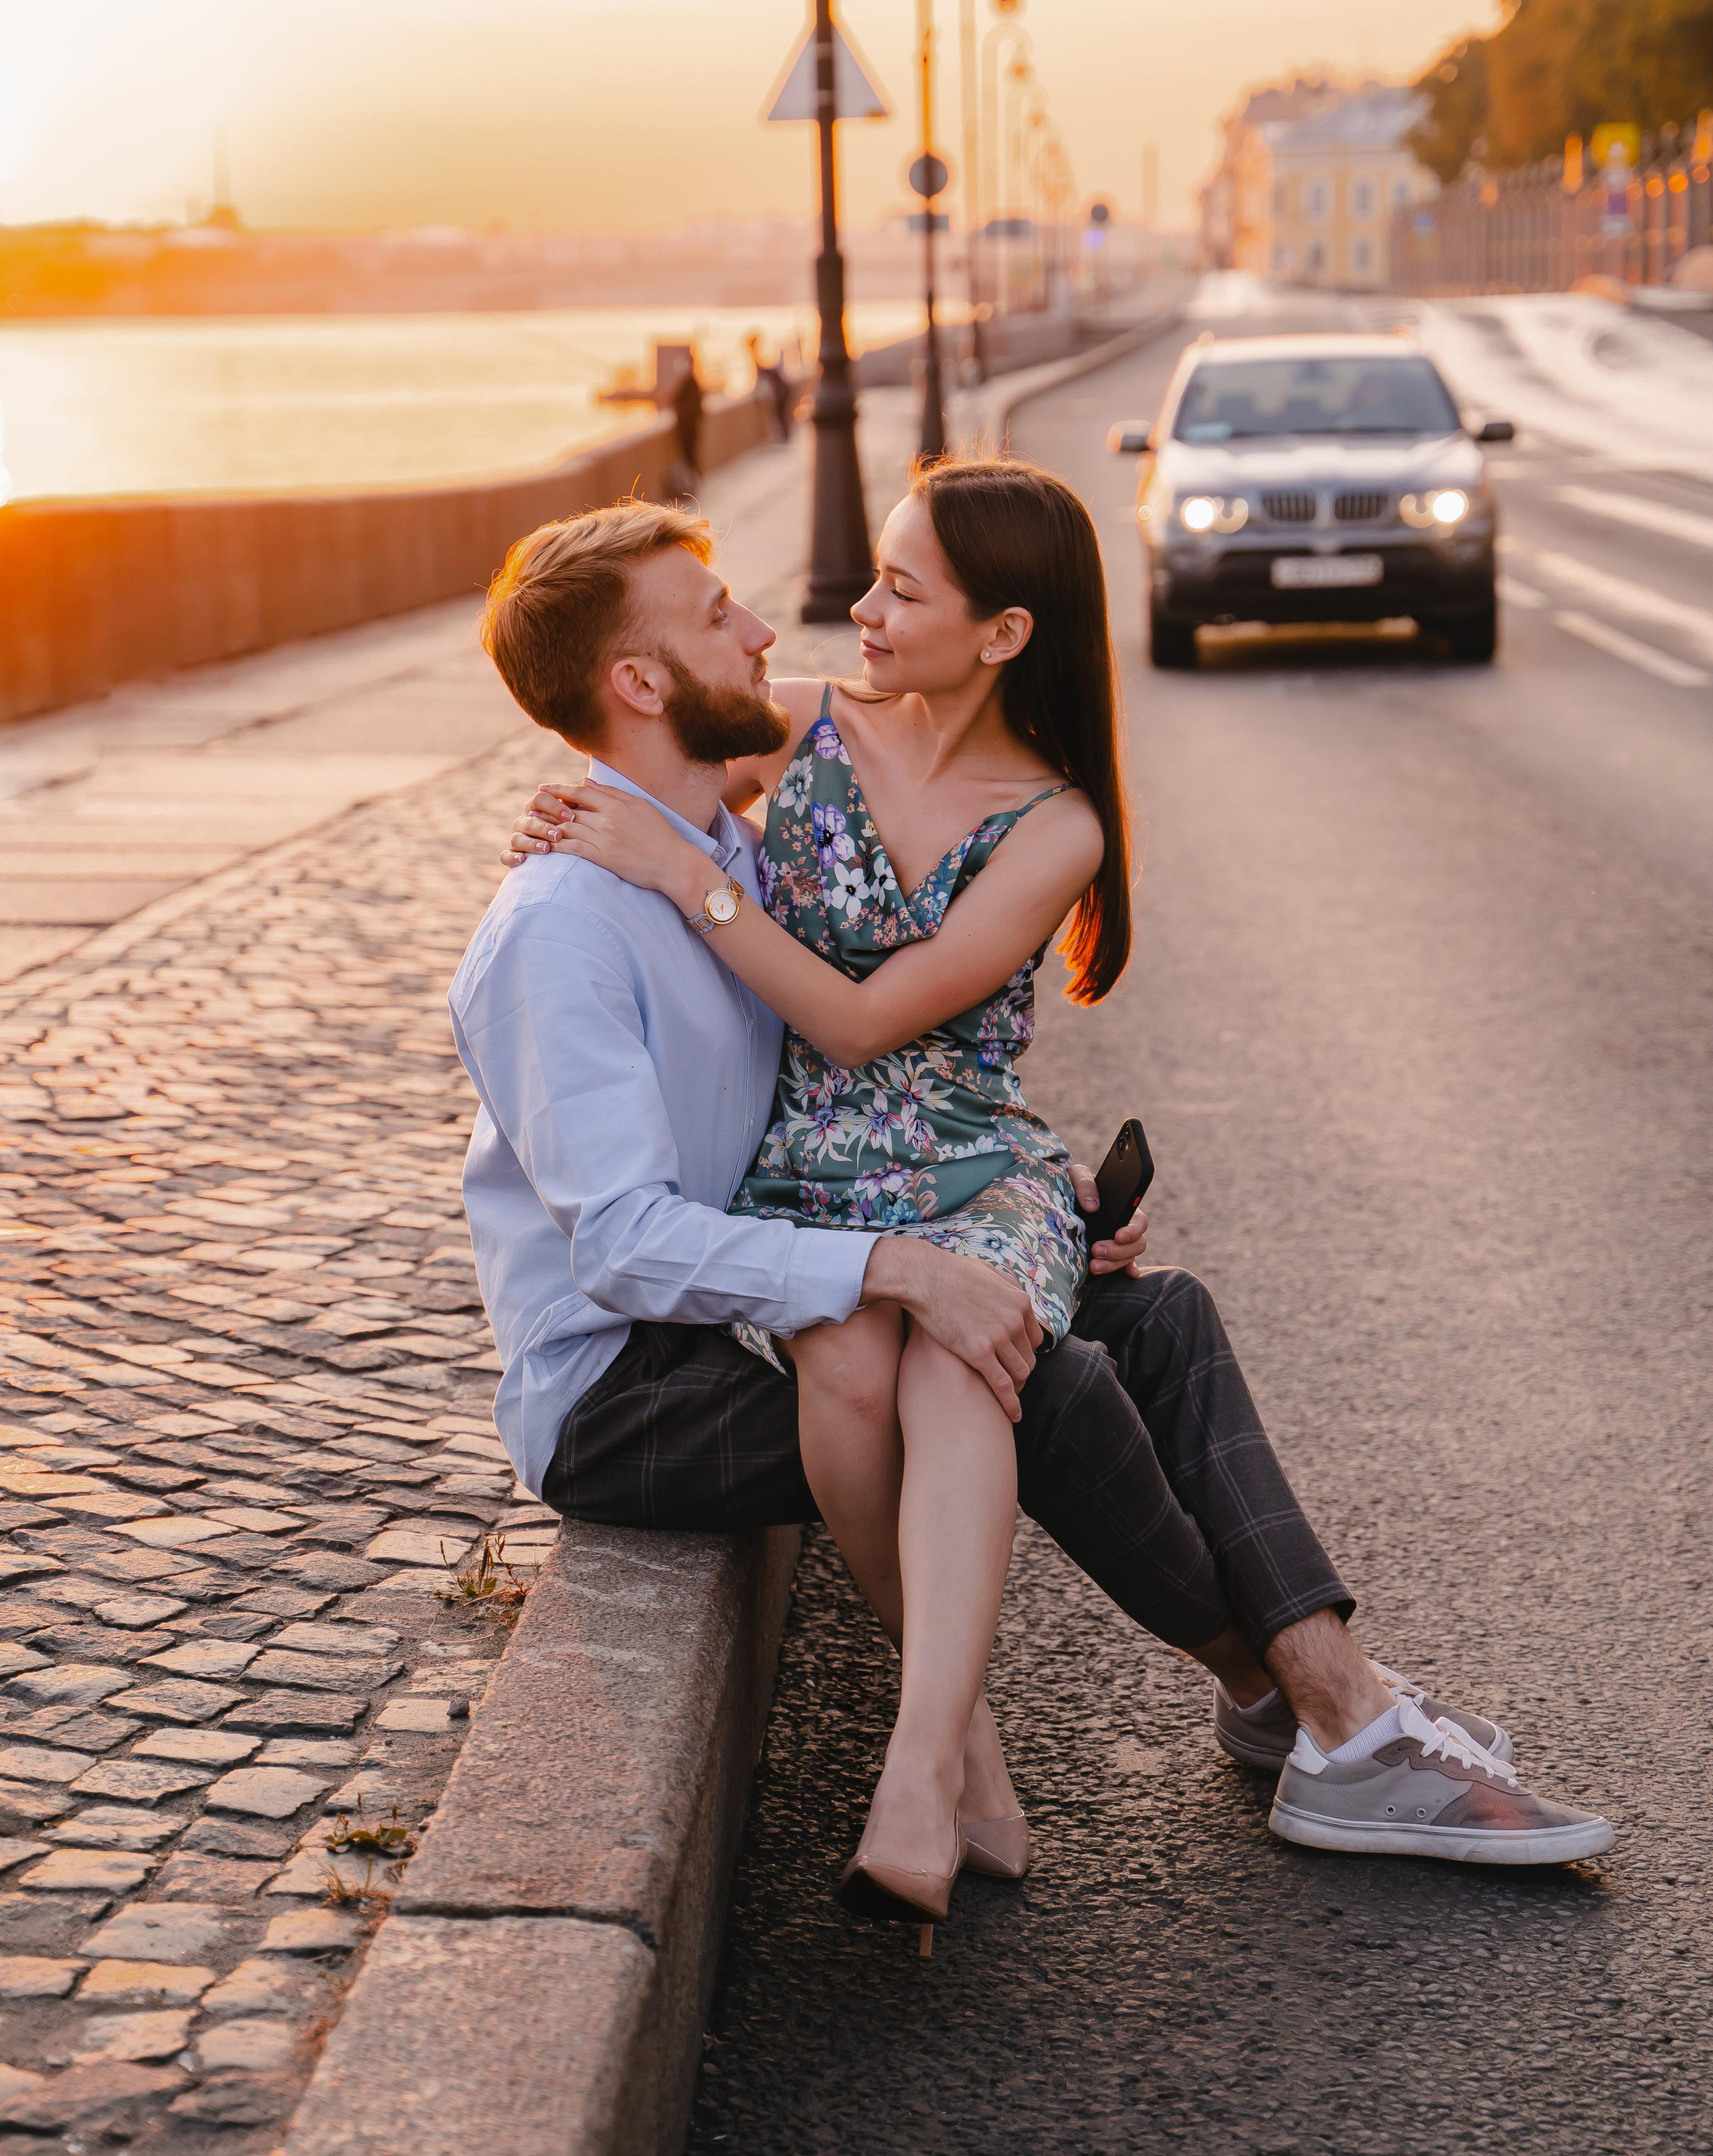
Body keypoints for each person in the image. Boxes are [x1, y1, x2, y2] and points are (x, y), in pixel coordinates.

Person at [450, 494, 1613, 1943]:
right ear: (642, 681)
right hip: (628, 1382)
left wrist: (1009, 1201)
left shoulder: (719, 850)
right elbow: (622, 1244)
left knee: (1158, 1315)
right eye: (714, 615)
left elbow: (831, 1062)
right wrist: (900, 1266)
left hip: (786, 1253)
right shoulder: (570, 920)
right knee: (1039, 1380)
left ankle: (1313, 1705)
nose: (775, 625)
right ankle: (1220, 1717)